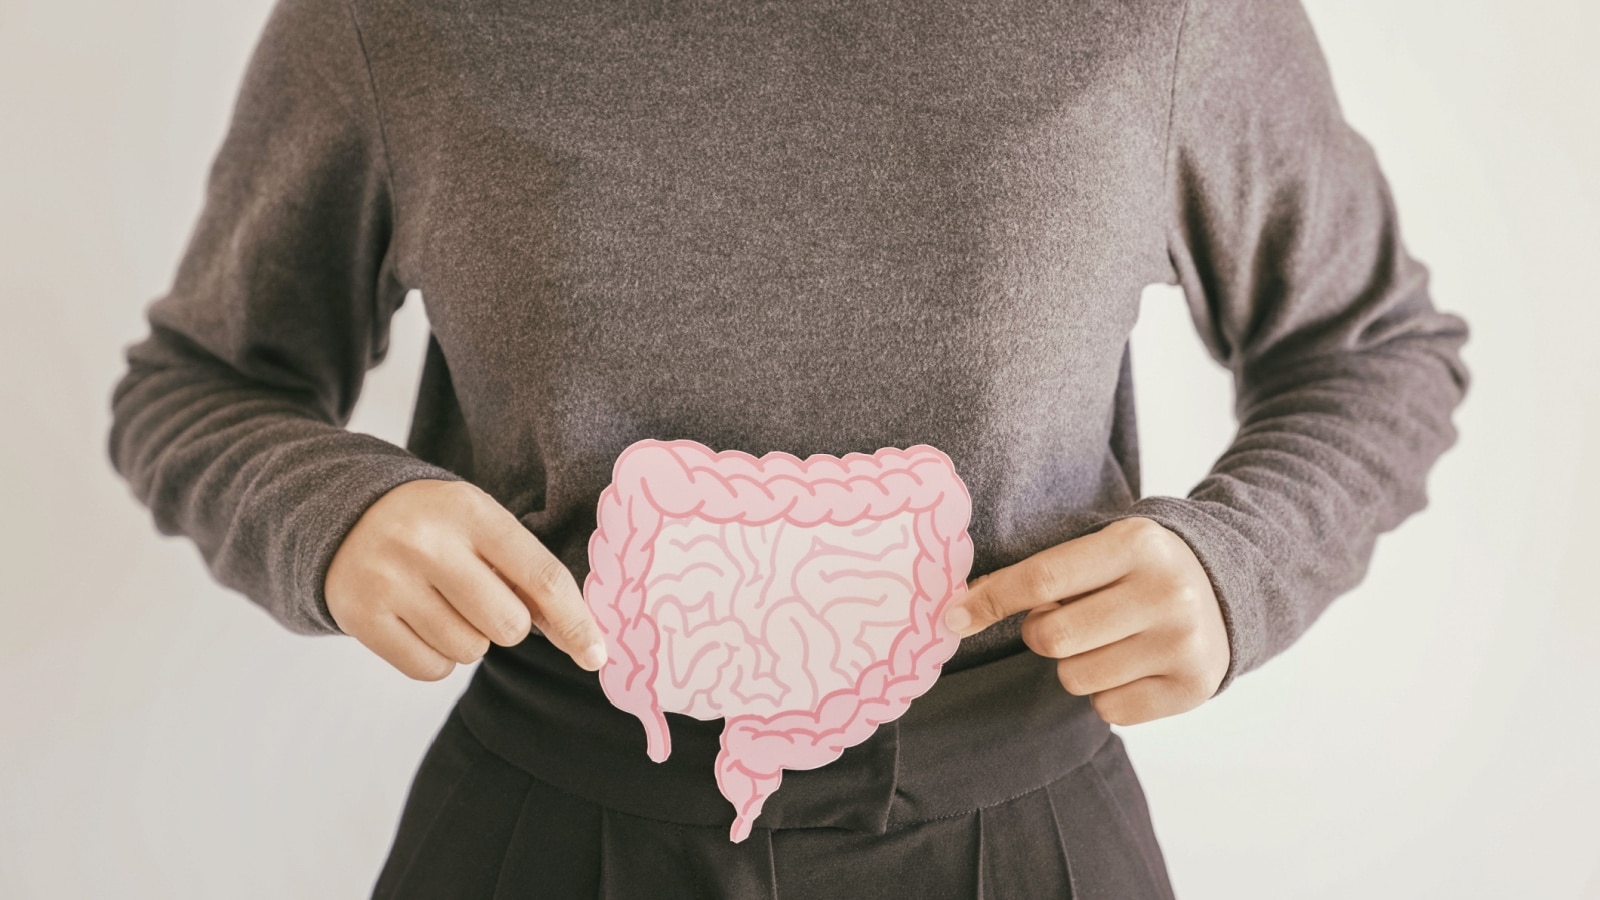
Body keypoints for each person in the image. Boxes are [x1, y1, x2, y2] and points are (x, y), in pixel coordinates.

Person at [105, 0, 1470, 896]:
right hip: (549, 822)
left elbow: (1371, 349)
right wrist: (325, 511)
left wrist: (1244, 562)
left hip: (1021, 827)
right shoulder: (398, 18)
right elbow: (203, 382)